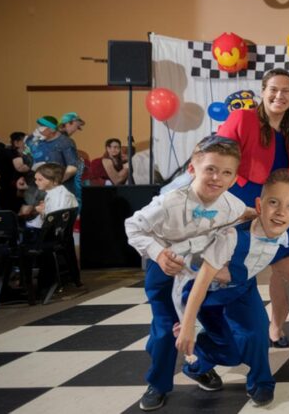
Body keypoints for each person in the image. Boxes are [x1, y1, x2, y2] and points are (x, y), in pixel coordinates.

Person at [124, 135, 248, 411]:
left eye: (226, 172)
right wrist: (157, 253)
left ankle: (199, 365)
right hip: (166, 271)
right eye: (211, 169)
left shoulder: (232, 204)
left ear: (234, 177)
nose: (217, 177)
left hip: (203, 276)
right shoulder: (169, 202)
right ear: (193, 168)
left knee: (216, 330)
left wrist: (269, 214)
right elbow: (133, 226)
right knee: (164, 332)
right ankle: (158, 382)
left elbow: (246, 214)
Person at [175, 169, 289, 408]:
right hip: (208, 295)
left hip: (242, 289)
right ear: (259, 204)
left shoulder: (288, 235)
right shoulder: (231, 237)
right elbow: (201, 283)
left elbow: (280, 268)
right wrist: (187, 326)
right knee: (231, 352)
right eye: (273, 203)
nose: (280, 212)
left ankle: (262, 383)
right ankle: (196, 364)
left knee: (256, 335)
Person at [217, 69, 289, 348]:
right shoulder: (242, 118)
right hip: (241, 201)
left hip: (280, 207)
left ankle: (276, 327)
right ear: (262, 91)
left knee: (286, 268)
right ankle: (228, 329)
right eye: (274, 89)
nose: (279, 95)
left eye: (286, 91)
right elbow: (217, 154)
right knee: (234, 271)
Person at [24, 163, 78, 240]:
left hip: (51, 237)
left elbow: (56, 223)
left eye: (40, 180)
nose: (36, 182)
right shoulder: (55, 192)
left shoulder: (60, 197)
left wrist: (42, 212)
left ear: (55, 181)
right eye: (36, 179)